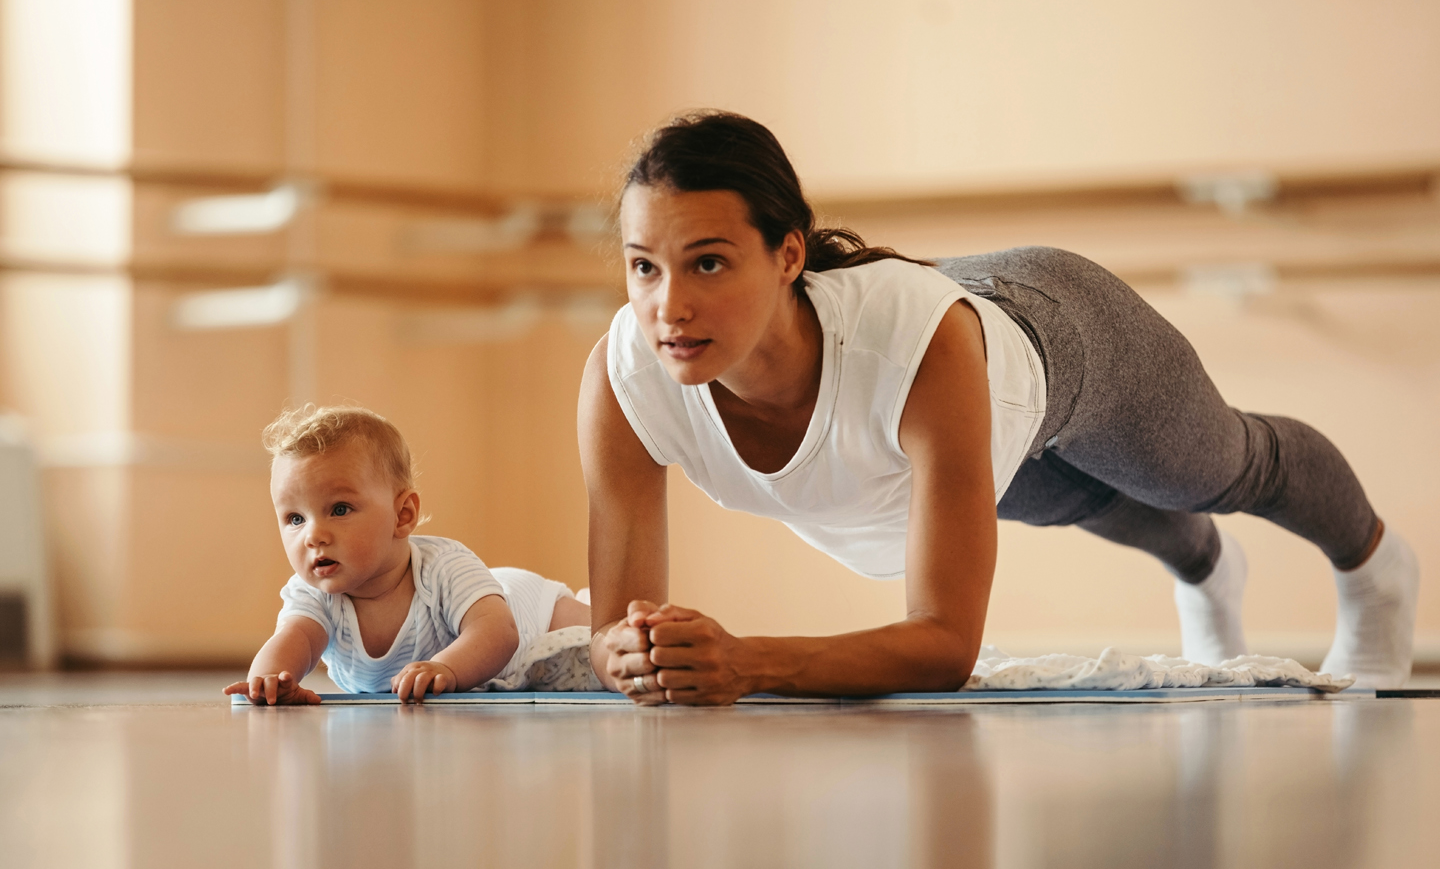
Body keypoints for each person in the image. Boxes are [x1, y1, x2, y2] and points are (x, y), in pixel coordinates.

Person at [580, 111, 1420, 705]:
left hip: (1057, 334)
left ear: (788, 254)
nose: (669, 307)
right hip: (944, 418)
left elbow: (945, 644)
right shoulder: (626, 379)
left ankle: (1376, 570)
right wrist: (632, 651)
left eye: (710, 264)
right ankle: (1206, 572)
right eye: (644, 266)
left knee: (1212, 470)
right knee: (1084, 503)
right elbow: (610, 629)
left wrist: (746, 662)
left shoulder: (917, 351)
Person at [225, 405, 589, 705]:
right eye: (295, 519)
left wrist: (445, 668)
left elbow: (497, 631)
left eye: (339, 509)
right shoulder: (315, 596)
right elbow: (293, 642)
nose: (313, 535)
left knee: (601, 630)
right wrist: (269, 682)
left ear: (402, 516)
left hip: (524, 610)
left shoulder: (443, 566)